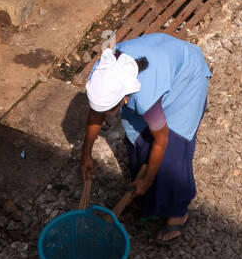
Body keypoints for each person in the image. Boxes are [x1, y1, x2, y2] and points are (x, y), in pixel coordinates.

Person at [80, 33, 211, 244]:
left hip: (186, 79)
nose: (106, 114)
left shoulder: (144, 95)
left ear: (124, 98)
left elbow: (163, 139)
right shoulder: (102, 74)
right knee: (139, 142)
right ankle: (143, 200)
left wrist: (147, 179)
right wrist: (85, 153)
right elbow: (96, 113)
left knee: (171, 154)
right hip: (160, 65)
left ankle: (178, 211)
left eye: (111, 110)